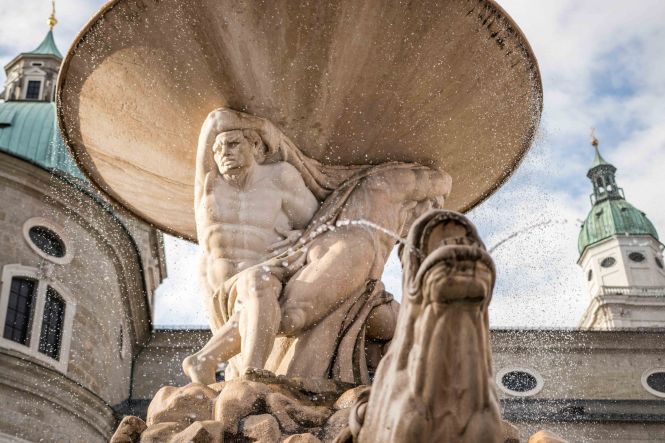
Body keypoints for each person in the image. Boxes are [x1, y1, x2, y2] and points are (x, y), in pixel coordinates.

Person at [183, 109, 451, 384]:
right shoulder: (209, 184)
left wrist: (302, 238)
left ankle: (247, 376)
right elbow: (216, 121)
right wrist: (269, 131)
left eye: (233, 144)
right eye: (218, 148)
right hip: (228, 289)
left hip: (273, 275)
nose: (223, 153)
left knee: (265, 286)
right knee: (264, 289)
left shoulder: (279, 177)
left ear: (255, 147)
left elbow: (318, 223)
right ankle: (244, 376)